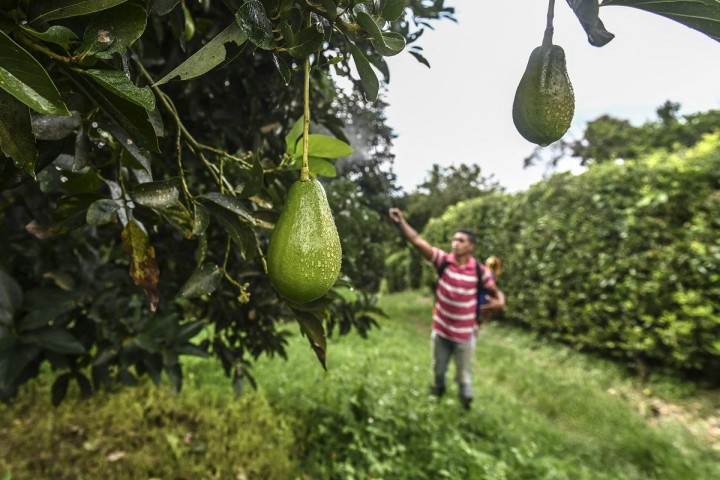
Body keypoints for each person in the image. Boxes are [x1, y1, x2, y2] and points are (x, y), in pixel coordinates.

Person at [388, 207, 505, 409]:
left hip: (465, 335)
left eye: (461, 241)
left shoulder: (479, 271)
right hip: (441, 331)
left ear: (471, 247)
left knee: (464, 374)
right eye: (454, 240)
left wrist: (501, 301)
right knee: (439, 369)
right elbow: (417, 241)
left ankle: (465, 402)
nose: (456, 244)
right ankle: (437, 393)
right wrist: (401, 223)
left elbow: (496, 292)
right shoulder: (443, 261)